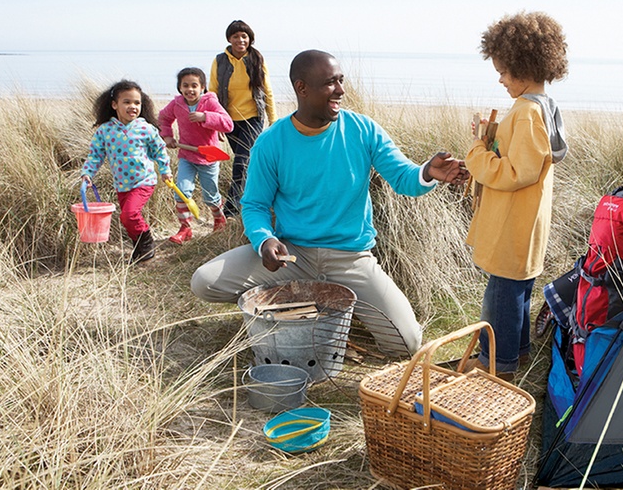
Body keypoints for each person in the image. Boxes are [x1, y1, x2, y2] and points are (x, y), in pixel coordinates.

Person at [191, 50, 468, 355]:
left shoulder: (363, 130)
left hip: (351, 259)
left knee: (406, 344)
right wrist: (264, 240)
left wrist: (428, 172)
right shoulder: (271, 142)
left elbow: (405, 178)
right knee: (205, 282)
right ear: (302, 88)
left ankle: (329, 308)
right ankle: (292, 304)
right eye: (330, 83)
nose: (341, 90)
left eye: (341, 80)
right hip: (292, 257)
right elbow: (255, 205)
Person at [464, 11, 569, 381]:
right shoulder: (544, 106)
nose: (500, 78)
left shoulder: (526, 112)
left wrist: (478, 152)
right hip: (526, 222)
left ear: (524, 68)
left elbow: (515, 172)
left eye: (504, 71)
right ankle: (517, 352)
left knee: (501, 298)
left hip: (512, 223)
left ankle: (498, 364)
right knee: (518, 291)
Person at [81, 80, 173, 264]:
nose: (133, 106)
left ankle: (147, 244)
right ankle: (140, 250)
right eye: (127, 102)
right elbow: (96, 155)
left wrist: (165, 170)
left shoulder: (146, 128)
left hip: (144, 181)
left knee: (128, 215)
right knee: (127, 219)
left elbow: (159, 151)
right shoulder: (105, 131)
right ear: (115, 104)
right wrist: (87, 173)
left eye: (137, 103)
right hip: (122, 184)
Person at [208, 20, 277, 217]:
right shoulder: (220, 60)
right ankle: (254, 199)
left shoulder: (257, 59)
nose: (240, 40)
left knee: (241, 163)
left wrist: (273, 120)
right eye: (236, 36)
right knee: (246, 164)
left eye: (244, 36)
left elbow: (267, 91)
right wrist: (214, 124)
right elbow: (212, 92)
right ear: (229, 38)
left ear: (250, 39)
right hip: (228, 121)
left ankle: (231, 210)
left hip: (253, 118)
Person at [159, 67, 235, 243]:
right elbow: (163, 118)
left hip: (208, 157)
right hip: (186, 155)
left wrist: (205, 117)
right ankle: (185, 228)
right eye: (185, 85)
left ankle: (219, 219)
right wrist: (168, 135)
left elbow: (228, 125)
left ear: (202, 87)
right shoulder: (177, 104)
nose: (190, 89)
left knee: (210, 196)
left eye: (194, 85)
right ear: (180, 88)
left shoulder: (210, 102)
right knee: (182, 192)